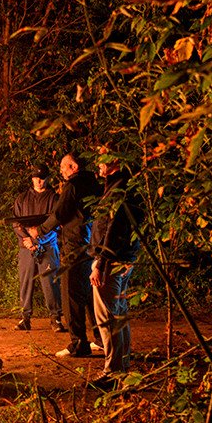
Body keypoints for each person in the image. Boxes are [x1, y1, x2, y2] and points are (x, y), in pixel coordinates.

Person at [29, 153, 101, 357]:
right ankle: (101, 339)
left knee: (71, 295)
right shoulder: (94, 183)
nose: (60, 170)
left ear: (74, 167)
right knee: (89, 295)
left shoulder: (73, 185)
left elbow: (60, 213)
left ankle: (79, 344)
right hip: (91, 244)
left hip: (74, 245)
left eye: (64, 166)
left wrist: (40, 231)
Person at [89, 157, 144, 389]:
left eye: (102, 159)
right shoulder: (125, 185)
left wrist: (101, 262)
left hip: (113, 260)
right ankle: (122, 367)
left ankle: (112, 372)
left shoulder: (119, 189)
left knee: (108, 317)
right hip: (125, 258)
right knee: (119, 313)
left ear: (114, 161)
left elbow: (114, 228)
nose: (98, 164)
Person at [12, 164, 65, 332]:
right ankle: (25, 318)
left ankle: (55, 318)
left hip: (47, 246)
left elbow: (56, 223)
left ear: (47, 179)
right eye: (36, 177)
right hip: (26, 247)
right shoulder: (22, 199)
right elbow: (16, 222)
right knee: (26, 282)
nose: (39, 181)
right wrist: (27, 239)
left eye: (42, 178)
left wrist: (40, 239)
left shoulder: (54, 199)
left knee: (50, 281)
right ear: (32, 178)